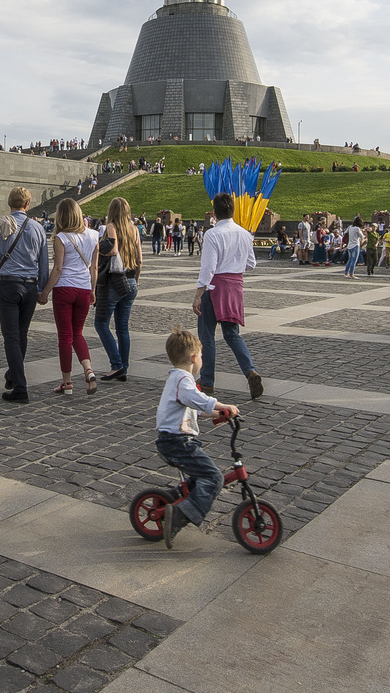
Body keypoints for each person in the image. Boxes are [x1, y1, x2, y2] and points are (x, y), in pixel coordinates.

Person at [156, 327, 240, 549]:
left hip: (173, 439)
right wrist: (222, 405)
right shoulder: (184, 380)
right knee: (214, 478)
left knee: (197, 478)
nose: (201, 359)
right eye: (201, 355)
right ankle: (180, 516)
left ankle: (172, 501)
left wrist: (215, 414)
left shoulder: (177, 378)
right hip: (177, 441)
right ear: (194, 357)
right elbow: (196, 398)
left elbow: (191, 405)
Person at [193, 192, 263, 398]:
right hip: (235, 287)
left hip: (215, 288)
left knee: (207, 336)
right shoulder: (244, 234)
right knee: (232, 334)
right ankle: (250, 371)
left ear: (214, 213)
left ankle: (207, 382)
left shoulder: (212, 234)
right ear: (233, 210)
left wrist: (198, 294)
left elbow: (208, 268)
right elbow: (251, 264)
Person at [0, 188, 51, 403]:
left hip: (7, 285)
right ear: (27, 204)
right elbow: (43, 265)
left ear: (9, 203)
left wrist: (2, 246)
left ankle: (20, 387)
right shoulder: (38, 228)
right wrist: (42, 289)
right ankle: (13, 376)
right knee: (22, 334)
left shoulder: (0, 224)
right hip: (30, 287)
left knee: (11, 337)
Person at [40, 198, 100, 395]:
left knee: (65, 336)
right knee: (78, 333)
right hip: (83, 288)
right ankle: (88, 369)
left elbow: (58, 269)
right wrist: (92, 290)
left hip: (64, 289)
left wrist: (45, 292)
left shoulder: (61, 238)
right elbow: (94, 267)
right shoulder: (93, 235)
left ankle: (67, 382)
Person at [95, 196, 142, 382]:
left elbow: (113, 250)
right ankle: (124, 367)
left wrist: (96, 248)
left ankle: (116, 365)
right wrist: (135, 281)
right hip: (131, 282)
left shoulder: (112, 226)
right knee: (122, 328)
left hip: (115, 281)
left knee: (101, 324)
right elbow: (140, 261)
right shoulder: (134, 229)